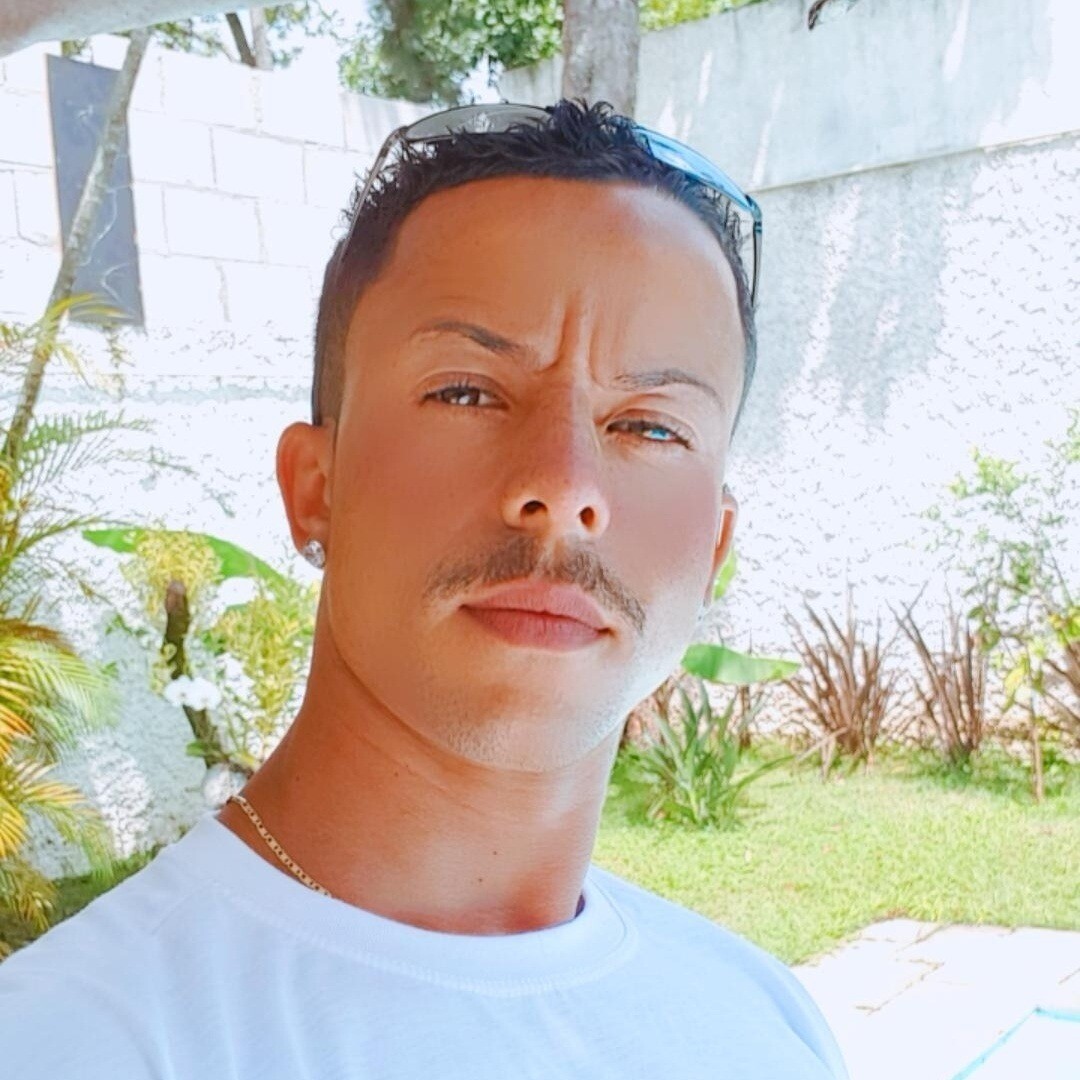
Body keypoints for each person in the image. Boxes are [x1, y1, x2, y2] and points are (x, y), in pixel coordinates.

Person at [0, 99, 849, 1079]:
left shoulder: (761, 1017)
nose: (565, 488)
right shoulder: (72, 1043)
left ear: (716, 544)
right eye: (467, 391)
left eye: (651, 426)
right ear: (315, 488)